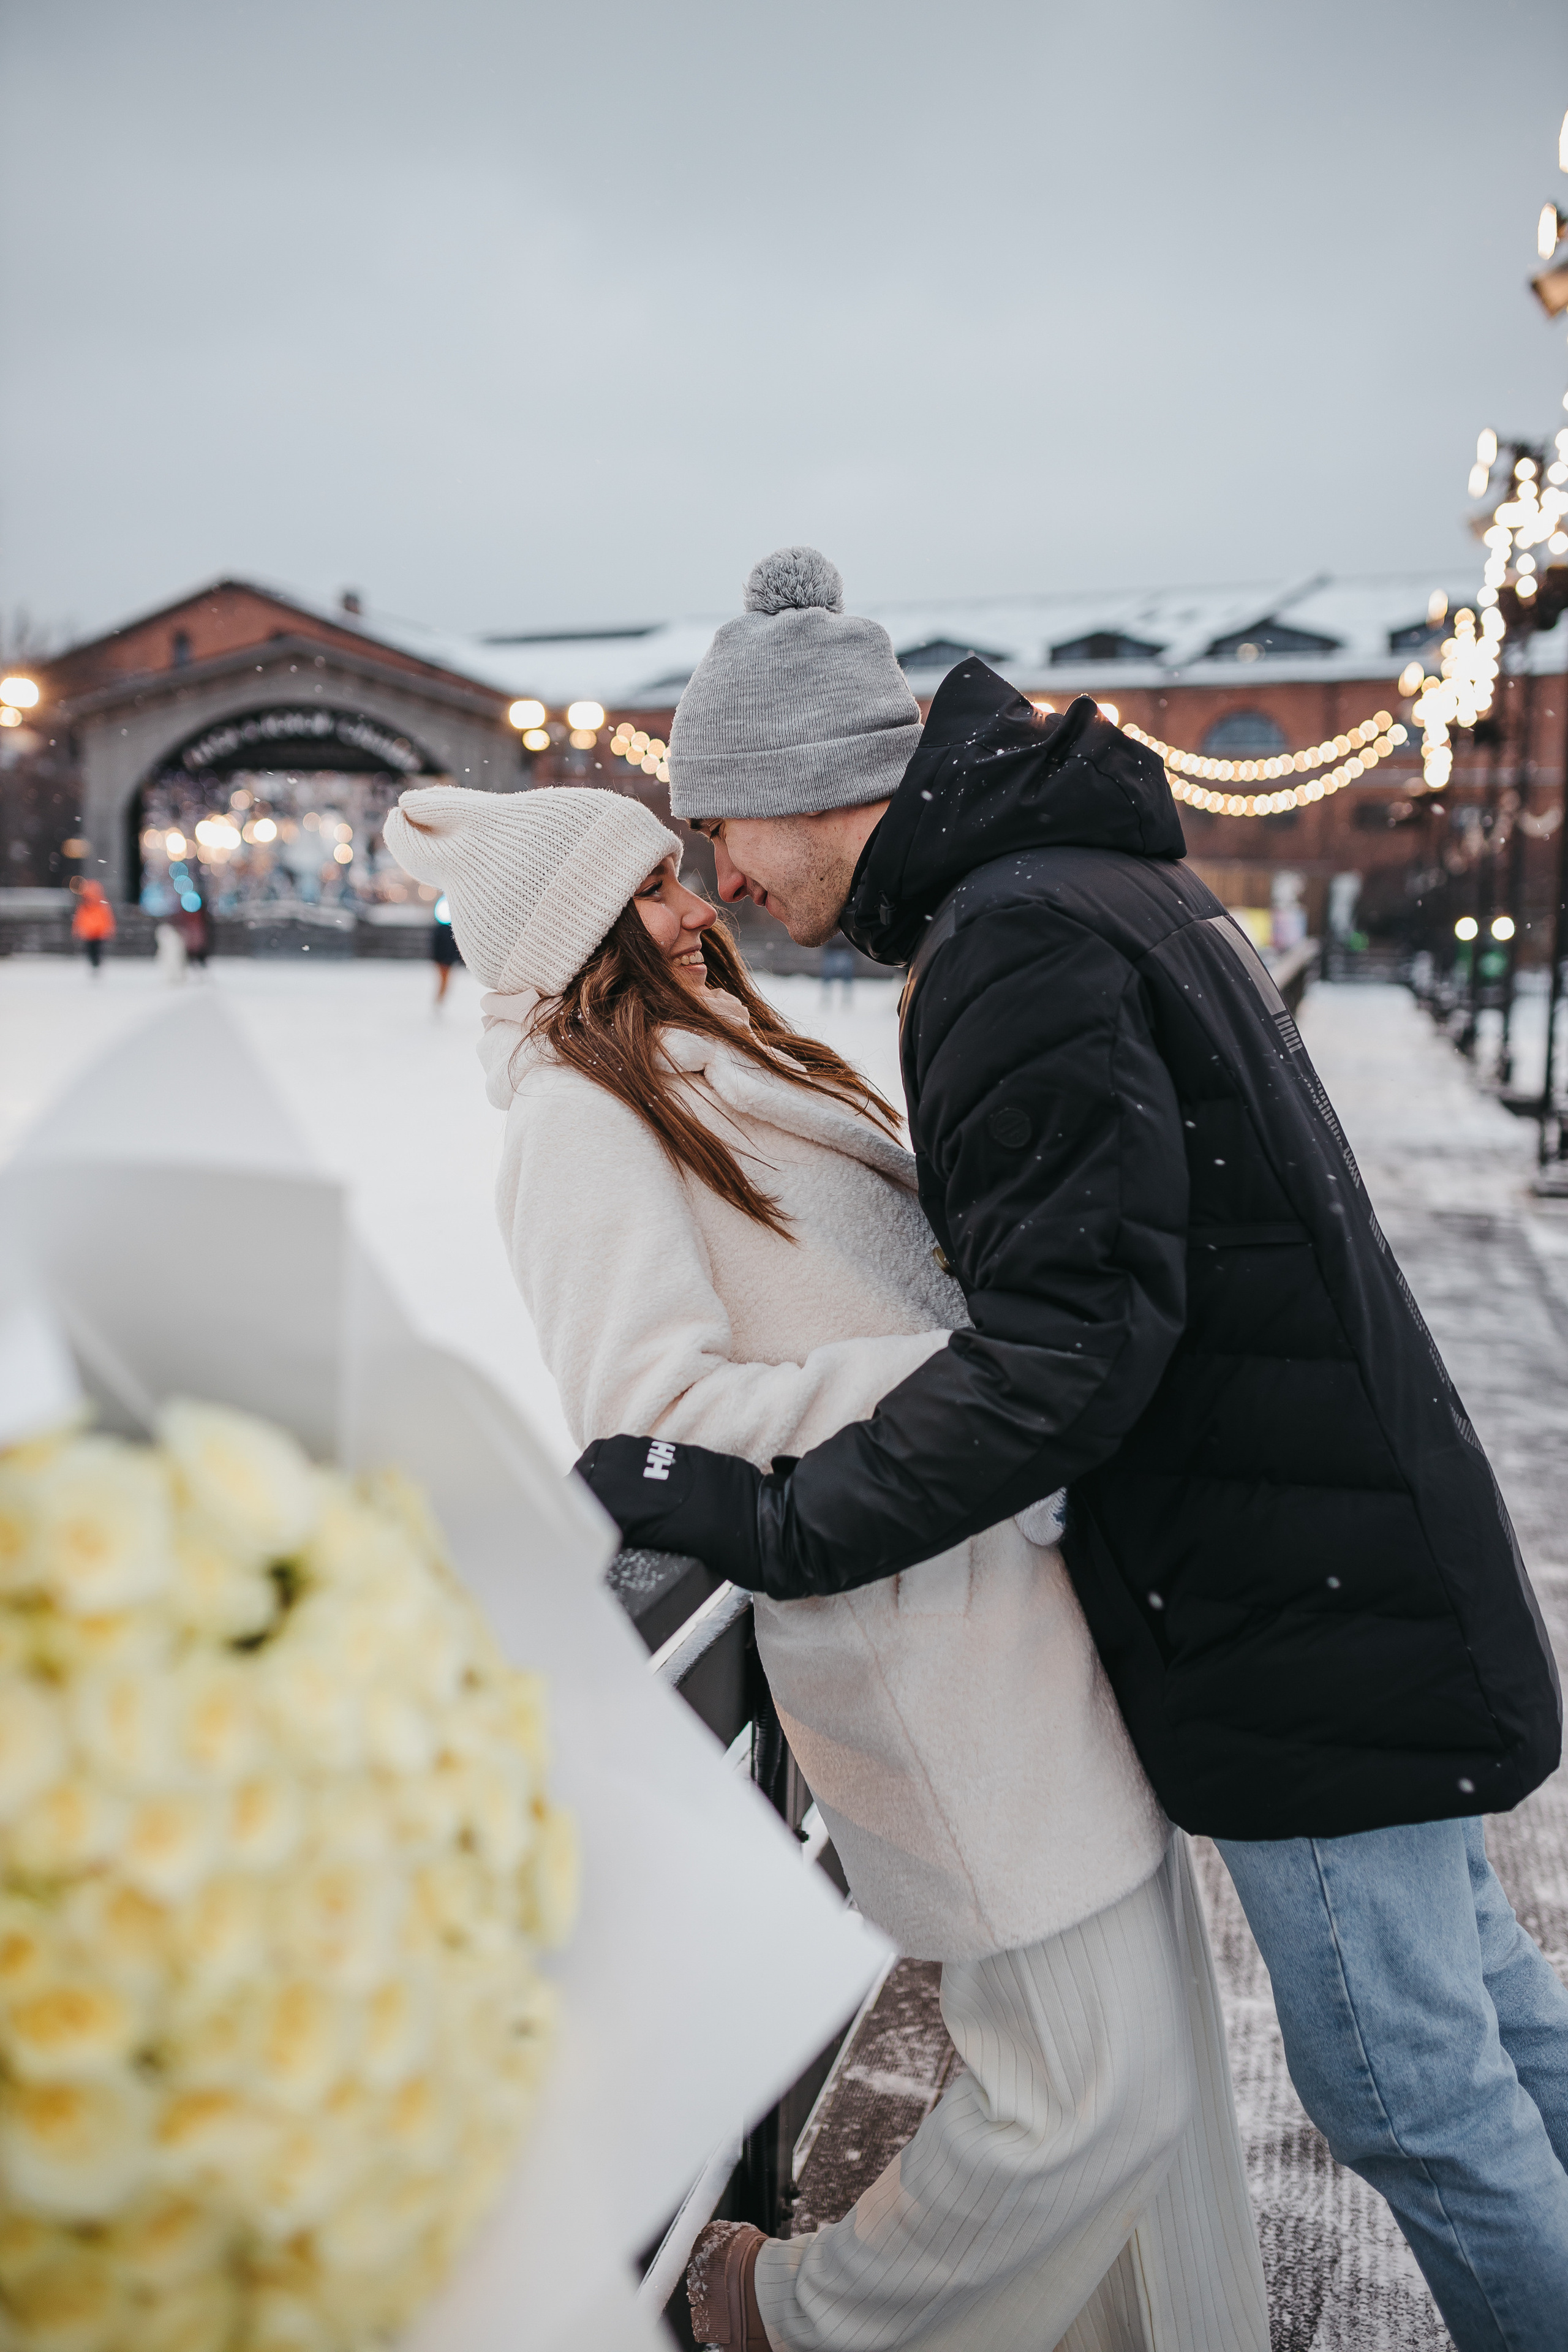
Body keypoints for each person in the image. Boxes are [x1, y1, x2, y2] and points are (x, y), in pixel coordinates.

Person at [578, 547, 1568, 2352]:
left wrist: (787, 1514)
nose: (722, 880)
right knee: (1497, 2033)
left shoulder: (1011, 939)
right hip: (1354, 1553)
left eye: (724, 827)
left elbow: (1065, 1350)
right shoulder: (1083, 878)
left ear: (816, 788)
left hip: (1291, 1604)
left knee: (1416, 2094)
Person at [382, 781, 1269, 2352]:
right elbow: (648, 1419)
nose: (698, 904)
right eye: (655, 888)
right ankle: (785, 2308)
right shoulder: (578, 1120)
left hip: (1015, 1599)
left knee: (1154, 2069)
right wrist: (966, 1375)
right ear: (580, 932)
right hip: (913, 1643)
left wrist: (1001, 1375)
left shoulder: (721, 1060)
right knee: (1086, 2087)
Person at [71, 878, 115, 973]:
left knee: (96, 952)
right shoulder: (85, 907)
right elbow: (80, 919)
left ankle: (96, 966)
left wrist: (108, 929)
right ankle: (95, 966)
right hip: (90, 933)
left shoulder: (101, 906)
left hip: (97, 933)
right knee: (92, 952)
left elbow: (107, 919)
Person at [429, 891, 461, 1003]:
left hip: (444, 956)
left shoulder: (445, 929)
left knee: (444, 981)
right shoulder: (443, 929)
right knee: (444, 980)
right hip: (443, 957)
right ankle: (440, 999)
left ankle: (440, 999)